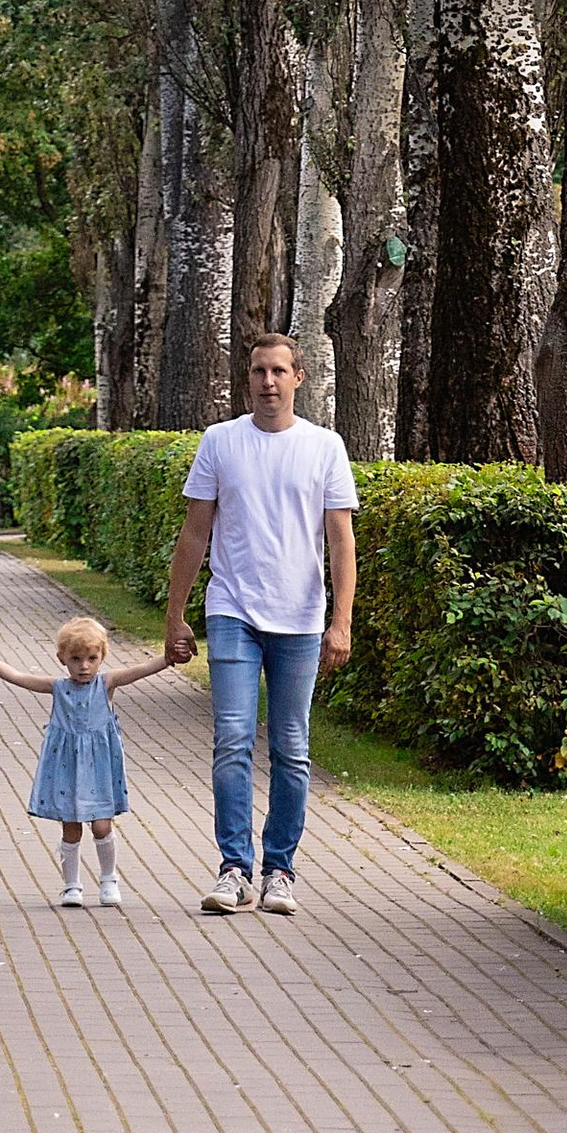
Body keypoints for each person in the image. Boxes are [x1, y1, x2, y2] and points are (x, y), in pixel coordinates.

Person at [162, 333, 357, 918]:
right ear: (246, 379)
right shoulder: (221, 442)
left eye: (278, 371)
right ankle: (233, 869)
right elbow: (196, 533)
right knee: (232, 740)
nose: (267, 382)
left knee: (292, 748)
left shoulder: (324, 446)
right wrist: (174, 614)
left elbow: (341, 540)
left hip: (299, 618)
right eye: (257, 372)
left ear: (299, 377)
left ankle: (279, 871)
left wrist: (341, 620)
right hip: (233, 611)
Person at [0, 615, 172, 908]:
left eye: (92, 658)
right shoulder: (57, 687)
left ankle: (108, 879)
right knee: (70, 827)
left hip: (99, 767)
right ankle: (71, 886)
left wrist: (169, 657)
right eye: (76, 659)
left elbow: (141, 670)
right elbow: (20, 678)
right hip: (66, 768)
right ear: (62, 658)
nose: (84, 666)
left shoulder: (107, 684)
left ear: (102, 657)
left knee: (101, 825)